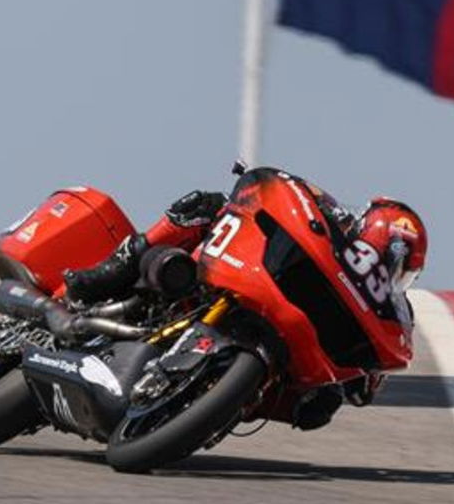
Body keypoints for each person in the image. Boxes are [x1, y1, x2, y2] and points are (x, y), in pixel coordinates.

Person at [60, 166, 428, 430]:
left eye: (401, 271)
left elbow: (364, 391)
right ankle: (103, 277)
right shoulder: (333, 219)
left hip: (282, 353)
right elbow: (285, 193)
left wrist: (360, 376)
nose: (390, 274)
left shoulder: (392, 314)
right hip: (236, 273)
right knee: (202, 207)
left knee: (319, 406)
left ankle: (201, 405)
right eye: (393, 263)